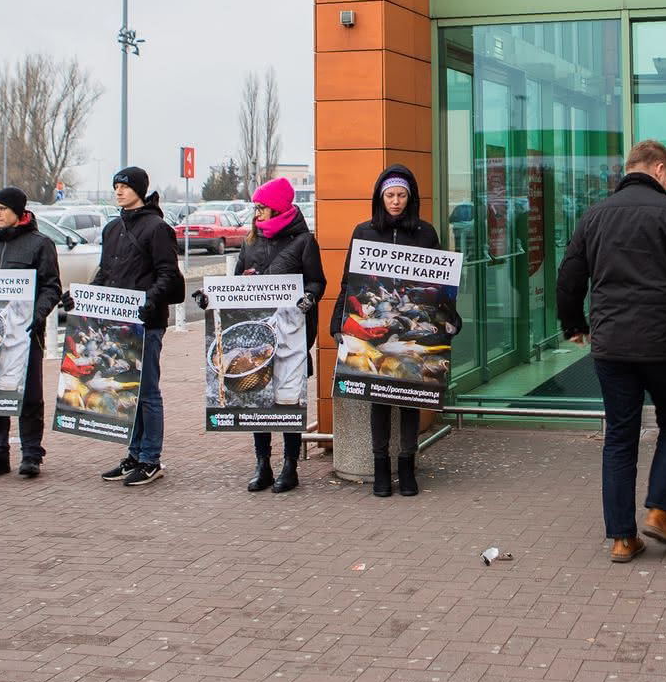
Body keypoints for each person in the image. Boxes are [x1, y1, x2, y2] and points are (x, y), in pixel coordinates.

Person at [555, 139, 666, 563]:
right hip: (665, 343)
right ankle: (658, 511)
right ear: (658, 169)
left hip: (612, 344)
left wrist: (574, 324)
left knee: (620, 436)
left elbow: (569, 277)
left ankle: (622, 538)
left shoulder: (594, 215)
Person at [195, 176, 325, 493]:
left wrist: (308, 298)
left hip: (291, 332)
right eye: (256, 208)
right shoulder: (251, 243)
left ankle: (290, 465)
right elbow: (237, 284)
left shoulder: (304, 242)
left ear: (278, 208)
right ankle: (262, 464)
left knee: (288, 399)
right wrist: (209, 298)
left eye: (262, 208)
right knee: (258, 403)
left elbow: (317, 282)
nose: (257, 214)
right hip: (257, 334)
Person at [61, 166, 184, 488]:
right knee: (126, 390)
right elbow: (105, 273)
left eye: (125, 187)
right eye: (115, 186)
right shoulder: (113, 228)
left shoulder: (157, 228)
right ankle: (134, 454)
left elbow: (168, 275)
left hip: (145, 323)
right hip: (114, 326)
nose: (118, 191)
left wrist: (147, 300)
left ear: (140, 191)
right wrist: (82, 296)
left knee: (146, 392)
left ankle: (150, 458)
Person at [328, 164, 445, 498]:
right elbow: (348, 280)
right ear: (380, 198)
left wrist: (448, 316)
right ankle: (382, 466)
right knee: (377, 397)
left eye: (401, 196)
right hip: (371, 328)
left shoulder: (425, 232)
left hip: (411, 327)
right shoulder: (364, 231)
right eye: (390, 195)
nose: (396, 201)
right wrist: (339, 320)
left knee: (410, 397)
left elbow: (438, 285)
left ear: (411, 198)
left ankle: (407, 464)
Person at [0, 186, 61, 480]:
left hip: (26, 332)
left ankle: (31, 454)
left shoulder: (40, 244)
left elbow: (52, 286)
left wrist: (38, 314)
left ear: (19, 212)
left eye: (2, 208)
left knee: (30, 394)